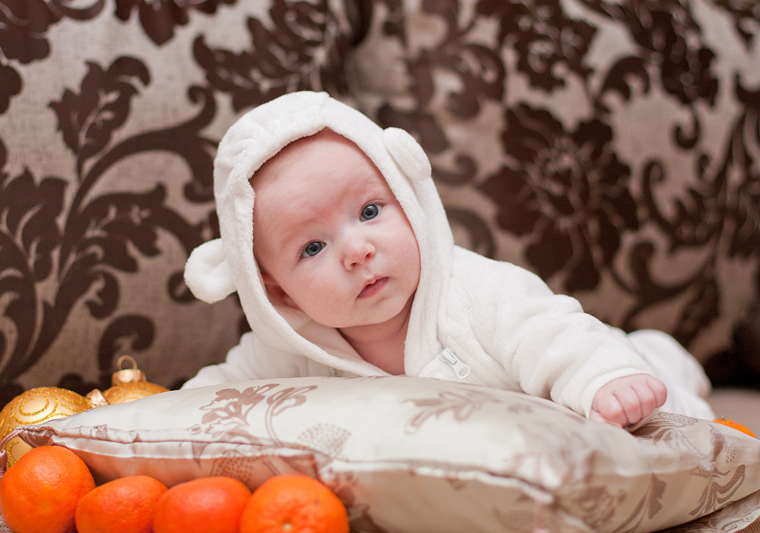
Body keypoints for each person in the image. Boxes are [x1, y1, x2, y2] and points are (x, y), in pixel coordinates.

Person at [182, 91, 715, 429]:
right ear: (277, 292)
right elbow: (218, 393)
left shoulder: (479, 293)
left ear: (409, 199)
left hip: (590, 362)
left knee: (650, 389)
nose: (357, 251)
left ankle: (662, 356)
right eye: (313, 248)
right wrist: (151, 418)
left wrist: (607, 377)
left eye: (370, 211)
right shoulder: (292, 346)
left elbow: (553, 335)